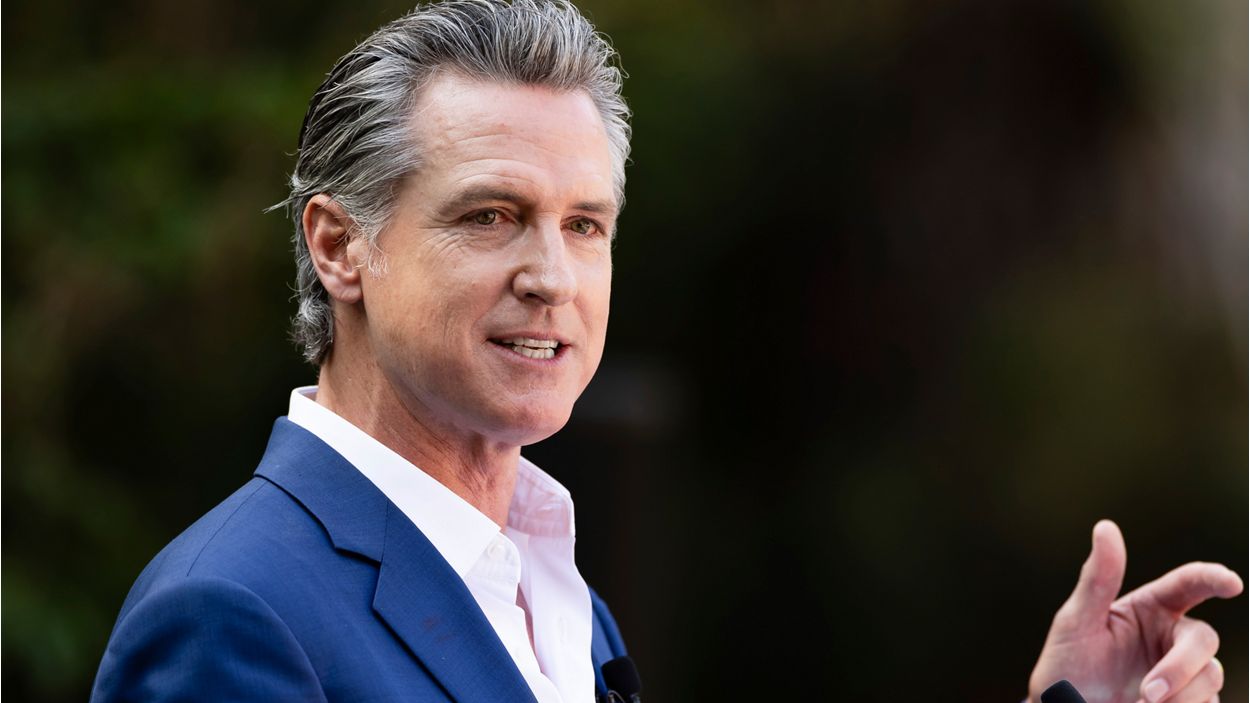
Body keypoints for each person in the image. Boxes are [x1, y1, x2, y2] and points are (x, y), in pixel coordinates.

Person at [89, 2, 1241, 702]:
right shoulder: (231, 615)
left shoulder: (555, 591)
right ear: (340, 247)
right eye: (490, 215)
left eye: (583, 225)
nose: (550, 274)